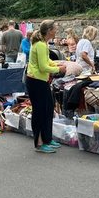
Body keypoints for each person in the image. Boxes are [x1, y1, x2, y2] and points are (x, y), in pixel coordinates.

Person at [25, 20, 66, 153]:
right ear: (49, 31)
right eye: (55, 29)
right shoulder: (41, 45)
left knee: (48, 109)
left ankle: (47, 139)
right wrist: (59, 70)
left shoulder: (42, 43)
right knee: (40, 111)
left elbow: (46, 61)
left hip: (40, 81)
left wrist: (57, 64)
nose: (56, 31)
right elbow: (43, 67)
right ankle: (39, 143)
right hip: (36, 81)